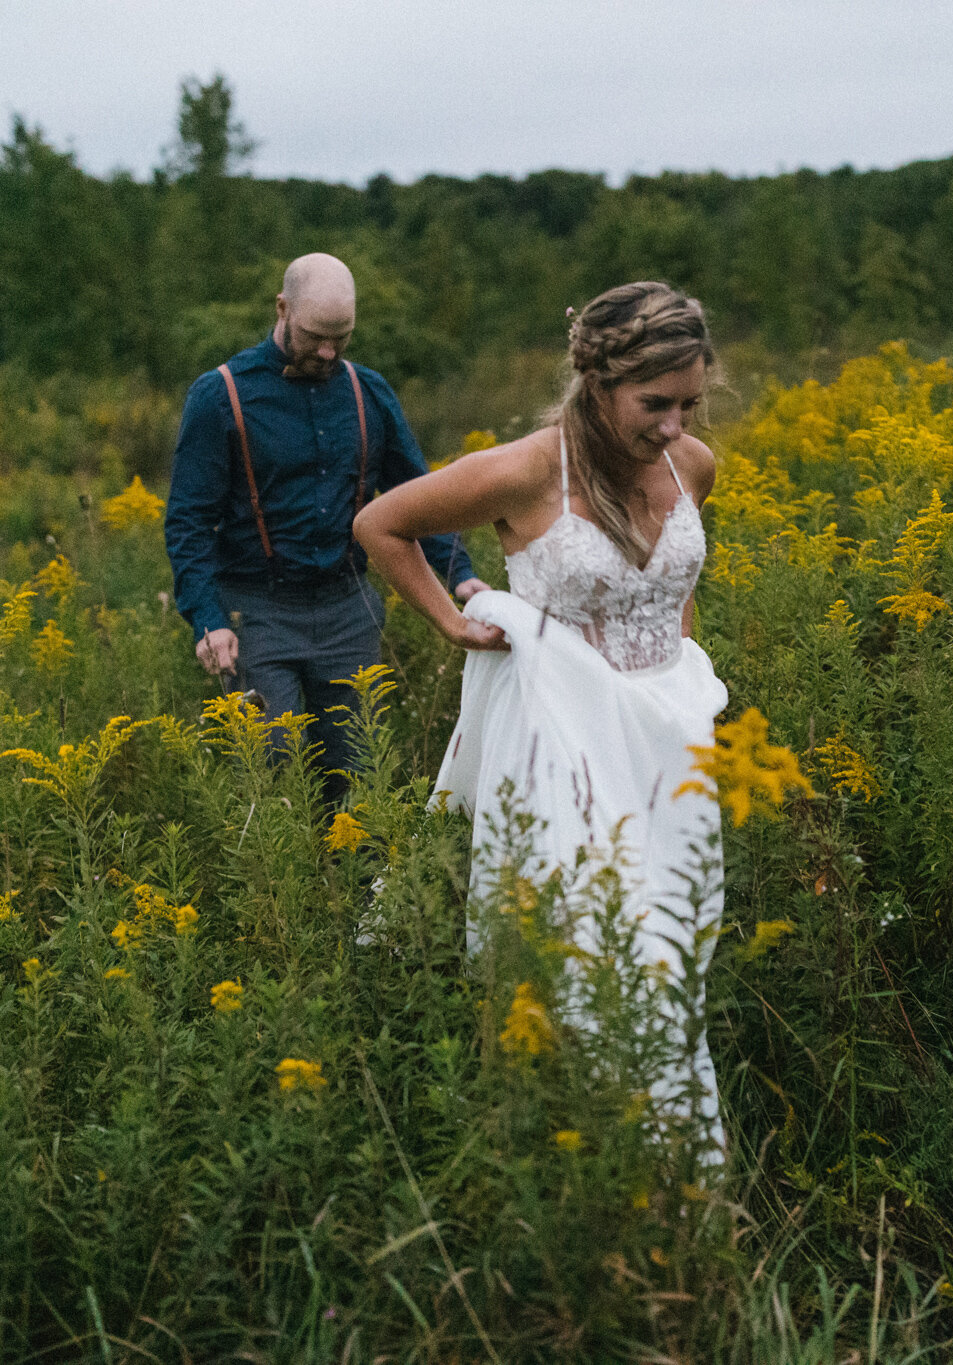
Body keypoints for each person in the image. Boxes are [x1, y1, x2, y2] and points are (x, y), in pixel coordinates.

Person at [353, 281, 728, 1151]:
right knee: (584, 932)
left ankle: (648, 1145)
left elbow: (676, 588)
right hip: (560, 733)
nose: (675, 425)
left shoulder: (692, 466)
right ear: (597, 384)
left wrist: (677, 679)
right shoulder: (528, 469)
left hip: (669, 734)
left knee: (676, 932)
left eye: (690, 403)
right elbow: (381, 523)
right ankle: (546, 1131)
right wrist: (451, 621)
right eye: (654, 404)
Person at [163, 253, 487, 792]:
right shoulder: (220, 395)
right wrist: (207, 618)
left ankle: (360, 879)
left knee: (359, 775)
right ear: (282, 308)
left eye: (343, 337)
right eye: (315, 336)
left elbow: (416, 496)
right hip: (255, 614)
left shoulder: (369, 392)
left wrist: (460, 573)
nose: (329, 351)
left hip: (349, 611)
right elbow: (189, 522)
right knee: (274, 770)